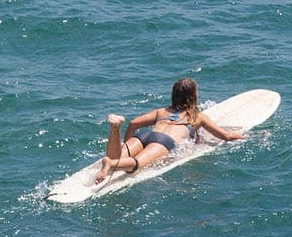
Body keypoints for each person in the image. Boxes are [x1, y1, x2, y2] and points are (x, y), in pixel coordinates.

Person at [94, 77, 243, 182]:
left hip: (146, 135)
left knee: (115, 156)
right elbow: (226, 136)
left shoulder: (162, 112)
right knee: (136, 164)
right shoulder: (197, 117)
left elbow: (133, 123)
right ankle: (111, 164)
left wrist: (126, 144)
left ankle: (115, 129)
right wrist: (246, 136)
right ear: (193, 96)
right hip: (163, 142)